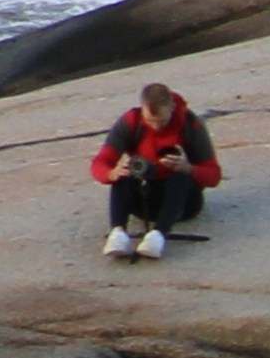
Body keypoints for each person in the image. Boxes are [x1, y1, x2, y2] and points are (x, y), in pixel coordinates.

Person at [92, 82, 218, 259]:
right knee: (124, 172)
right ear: (142, 109)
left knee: (180, 177)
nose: (157, 127)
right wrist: (110, 174)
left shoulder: (191, 124)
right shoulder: (131, 122)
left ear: (172, 107)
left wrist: (189, 169)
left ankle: (159, 234)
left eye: (162, 121)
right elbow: (100, 163)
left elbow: (214, 175)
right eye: (151, 121)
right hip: (144, 202)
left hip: (183, 204)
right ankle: (118, 232)